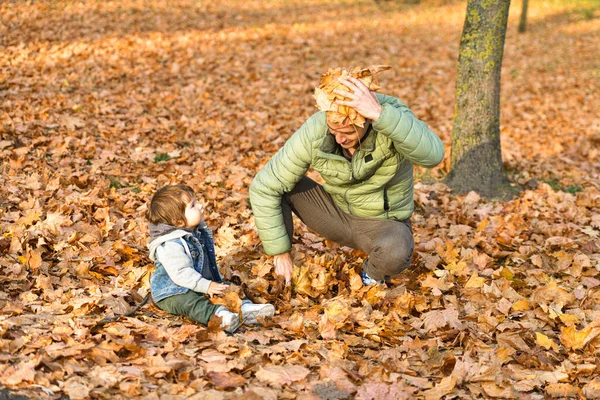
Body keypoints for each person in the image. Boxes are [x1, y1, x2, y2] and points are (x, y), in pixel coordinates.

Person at [249, 69, 444, 286]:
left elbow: (433, 156)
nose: (340, 139)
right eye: (334, 132)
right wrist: (280, 253)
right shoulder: (318, 127)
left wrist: (380, 114)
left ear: (366, 120)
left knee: (396, 252)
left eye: (349, 133)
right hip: (335, 213)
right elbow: (265, 186)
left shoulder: (391, 117)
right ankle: (285, 268)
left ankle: (370, 277)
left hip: (382, 223)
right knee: (283, 185)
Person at [146, 184, 275, 333]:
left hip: (199, 282)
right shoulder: (170, 244)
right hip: (172, 291)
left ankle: (244, 307)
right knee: (191, 303)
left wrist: (213, 282)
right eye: (193, 205)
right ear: (178, 222)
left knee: (227, 286)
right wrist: (206, 286)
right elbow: (181, 274)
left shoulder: (194, 231)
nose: (200, 206)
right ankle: (218, 316)